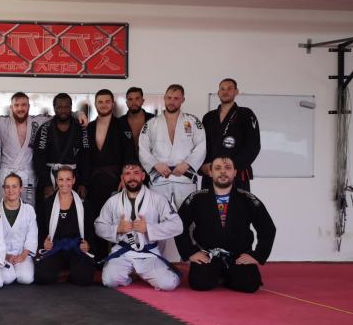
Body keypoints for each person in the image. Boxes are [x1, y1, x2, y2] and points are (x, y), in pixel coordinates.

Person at [176, 154, 276, 293]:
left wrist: (257, 255)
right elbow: (178, 225)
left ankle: (225, 277)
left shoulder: (248, 198)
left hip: (238, 256)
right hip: (208, 256)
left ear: (234, 172)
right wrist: (190, 252)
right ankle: (223, 276)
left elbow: (267, 228)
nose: (223, 171)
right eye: (218, 168)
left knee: (250, 285)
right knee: (200, 283)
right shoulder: (196, 198)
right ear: (210, 173)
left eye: (227, 168)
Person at [95, 161, 183, 291]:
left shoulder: (158, 199)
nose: (131, 177)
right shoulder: (113, 201)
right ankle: (131, 277)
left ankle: (148, 273)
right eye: (127, 173)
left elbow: (177, 225)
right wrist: (117, 229)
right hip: (123, 252)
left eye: (136, 173)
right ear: (122, 178)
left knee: (168, 284)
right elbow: (99, 225)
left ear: (143, 176)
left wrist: (148, 228)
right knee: (109, 281)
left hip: (149, 253)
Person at [138, 84, 206, 209]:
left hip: (185, 178)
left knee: (188, 215)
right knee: (158, 215)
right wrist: (155, 164)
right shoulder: (152, 123)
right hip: (159, 178)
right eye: (169, 98)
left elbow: (201, 146)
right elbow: (143, 148)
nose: (171, 101)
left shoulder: (192, 121)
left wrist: (187, 164)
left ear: (183, 100)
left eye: (176, 98)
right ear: (164, 98)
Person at [87, 89, 136, 257]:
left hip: (115, 180)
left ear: (112, 103)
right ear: (95, 104)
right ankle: (98, 257)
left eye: (107, 101)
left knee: (117, 218)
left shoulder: (122, 125)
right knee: (96, 218)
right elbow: (84, 157)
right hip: (94, 181)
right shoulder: (89, 127)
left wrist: (126, 176)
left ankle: (118, 256)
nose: (104, 105)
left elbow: (129, 152)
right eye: (100, 102)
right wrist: (83, 182)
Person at [35, 166, 95, 286]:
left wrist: (88, 245)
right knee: (41, 276)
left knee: (84, 278)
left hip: (76, 248)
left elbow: (90, 230)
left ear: (73, 180)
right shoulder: (47, 203)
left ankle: (69, 274)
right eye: (61, 179)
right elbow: (41, 229)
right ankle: (61, 271)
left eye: (68, 179)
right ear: (56, 181)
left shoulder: (83, 204)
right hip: (55, 248)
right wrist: (44, 243)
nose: (64, 183)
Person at [200, 78, 260, 191]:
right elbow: (202, 145)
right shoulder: (208, 117)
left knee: (238, 202)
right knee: (208, 202)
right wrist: (203, 166)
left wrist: (230, 166)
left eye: (229, 89)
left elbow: (253, 146)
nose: (225, 91)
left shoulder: (246, 114)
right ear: (218, 93)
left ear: (236, 92)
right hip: (212, 174)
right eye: (222, 89)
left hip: (236, 174)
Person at [33, 93, 91, 203]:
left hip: (73, 180)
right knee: (47, 211)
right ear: (54, 108)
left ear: (71, 108)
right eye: (59, 107)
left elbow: (86, 158)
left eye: (66, 107)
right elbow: (38, 158)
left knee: (73, 210)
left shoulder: (81, 129)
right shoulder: (45, 128)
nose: (63, 110)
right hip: (50, 179)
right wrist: (46, 183)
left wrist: (84, 183)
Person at [0, 173, 37, 285]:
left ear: (21, 188)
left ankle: (18, 270)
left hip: (22, 254)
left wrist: (23, 255)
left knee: (26, 278)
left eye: (14, 186)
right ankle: (11, 272)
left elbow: (32, 236)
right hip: (2, 255)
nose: (11, 190)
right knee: (7, 278)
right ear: (4, 189)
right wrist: (6, 256)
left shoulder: (29, 210)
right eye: (7, 187)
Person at [118, 86, 155, 155]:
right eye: (130, 99)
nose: (134, 103)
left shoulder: (153, 119)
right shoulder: (119, 122)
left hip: (149, 160)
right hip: (127, 160)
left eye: (137, 99)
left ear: (142, 101)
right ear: (126, 102)